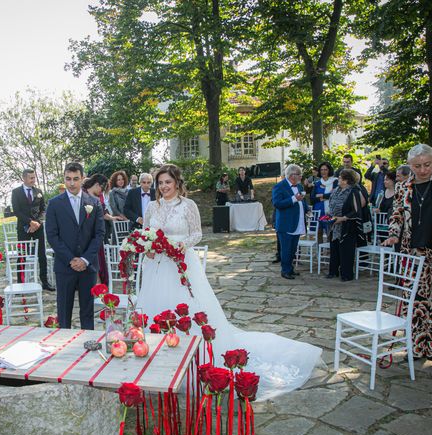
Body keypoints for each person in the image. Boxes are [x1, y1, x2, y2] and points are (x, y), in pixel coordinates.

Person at [136, 164, 322, 399]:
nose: (163, 187)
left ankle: (190, 359)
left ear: (177, 183)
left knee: (185, 309)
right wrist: (148, 248)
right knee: (156, 308)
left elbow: (196, 234)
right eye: (160, 183)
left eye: (168, 182)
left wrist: (182, 245)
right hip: (157, 267)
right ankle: (157, 358)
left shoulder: (188, 205)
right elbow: (145, 234)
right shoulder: (153, 206)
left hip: (181, 264)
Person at [383, 144, 432, 373]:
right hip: (413, 253)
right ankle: (418, 348)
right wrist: (393, 236)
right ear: (410, 166)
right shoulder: (403, 187)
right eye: (418, 166)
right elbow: (397, 215)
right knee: (417, 303)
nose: (423, 170)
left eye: (427, 165)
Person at [45, 163, 105, 329]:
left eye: (75, 179)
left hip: (88, 266)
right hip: (64, 266)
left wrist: (85, 259)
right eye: (68, 179)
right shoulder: (54, 204)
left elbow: (99, 234)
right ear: (64, 179)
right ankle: (64, 349)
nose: (71, 183)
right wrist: (71, 259)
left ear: (82, 179)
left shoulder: (94, 202)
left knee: (87, 311)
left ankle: (87, 346)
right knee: (64, 313)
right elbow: (52, 235)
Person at [11, 169, 54, 291]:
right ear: (24, 178)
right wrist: (30, 222)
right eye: (31, 178)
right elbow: (16, 211)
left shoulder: (38, 191)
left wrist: (38, 223)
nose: (33, 180)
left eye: (34, 177)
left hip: (38, 228)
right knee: (22, 255)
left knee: (42, 254)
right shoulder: (16, 192)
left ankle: (45, 282)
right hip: (23, 228)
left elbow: (43, 209)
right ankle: (21, 283)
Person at [272, 165, 310, 280]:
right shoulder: (279, 186)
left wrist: (307, 209)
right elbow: (277, 203)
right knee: (286, 249)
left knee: (293, 249)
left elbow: (301, 201)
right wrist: (293, 199)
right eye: (299, 175)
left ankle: (290, 268)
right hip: (286, 223)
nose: (301, 177)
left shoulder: (298, 185)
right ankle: (285, 270)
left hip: (297, 222)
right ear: (292, 175)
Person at [326, 169, 363, 281]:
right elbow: (332, 203)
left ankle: (346, 274)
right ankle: (333, 271)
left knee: (346, 250)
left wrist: (343, 218)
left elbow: (356, 211)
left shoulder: (353, 192)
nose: (338, 179)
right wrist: (329, 214)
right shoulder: (336, 190)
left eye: (341, 177)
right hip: (334, 225)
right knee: (334, 249)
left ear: (346, 180)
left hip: (347, 226)